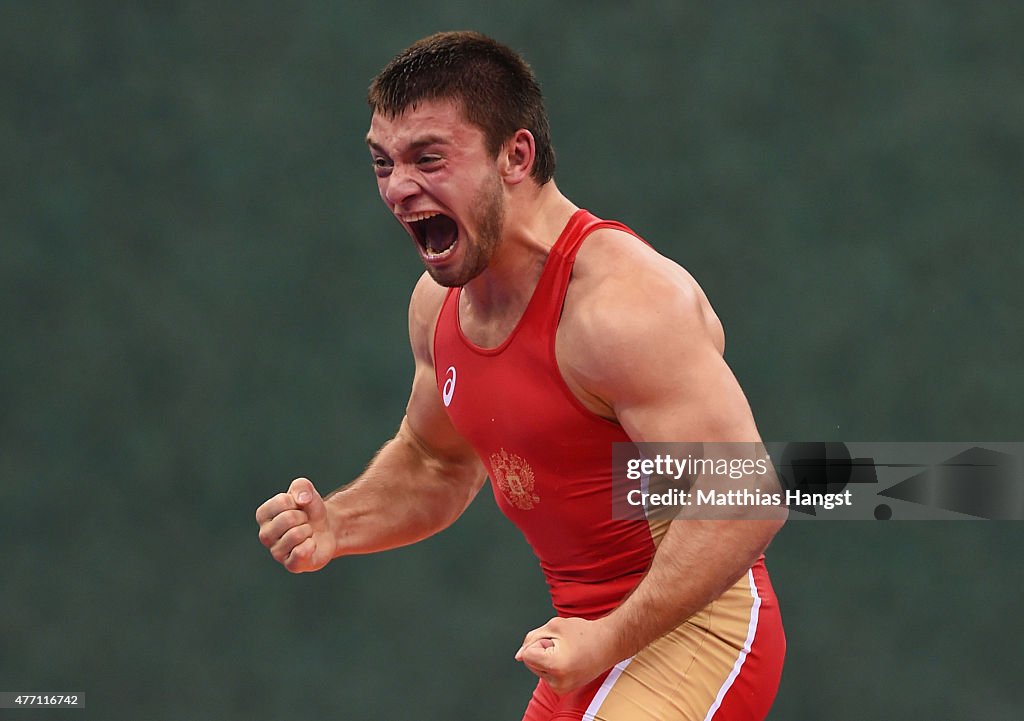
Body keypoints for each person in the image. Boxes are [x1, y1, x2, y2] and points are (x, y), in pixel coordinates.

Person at [256, 30, 786, 721]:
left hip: (701, 635)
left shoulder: (619, 307)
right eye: (382, 163)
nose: (398, 188)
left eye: (428, 159)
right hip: (583, 642)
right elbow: (436, 462)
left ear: (516, 155)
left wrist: (608, 638)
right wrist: (338, 523)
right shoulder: (437, 308)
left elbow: (745, 498)